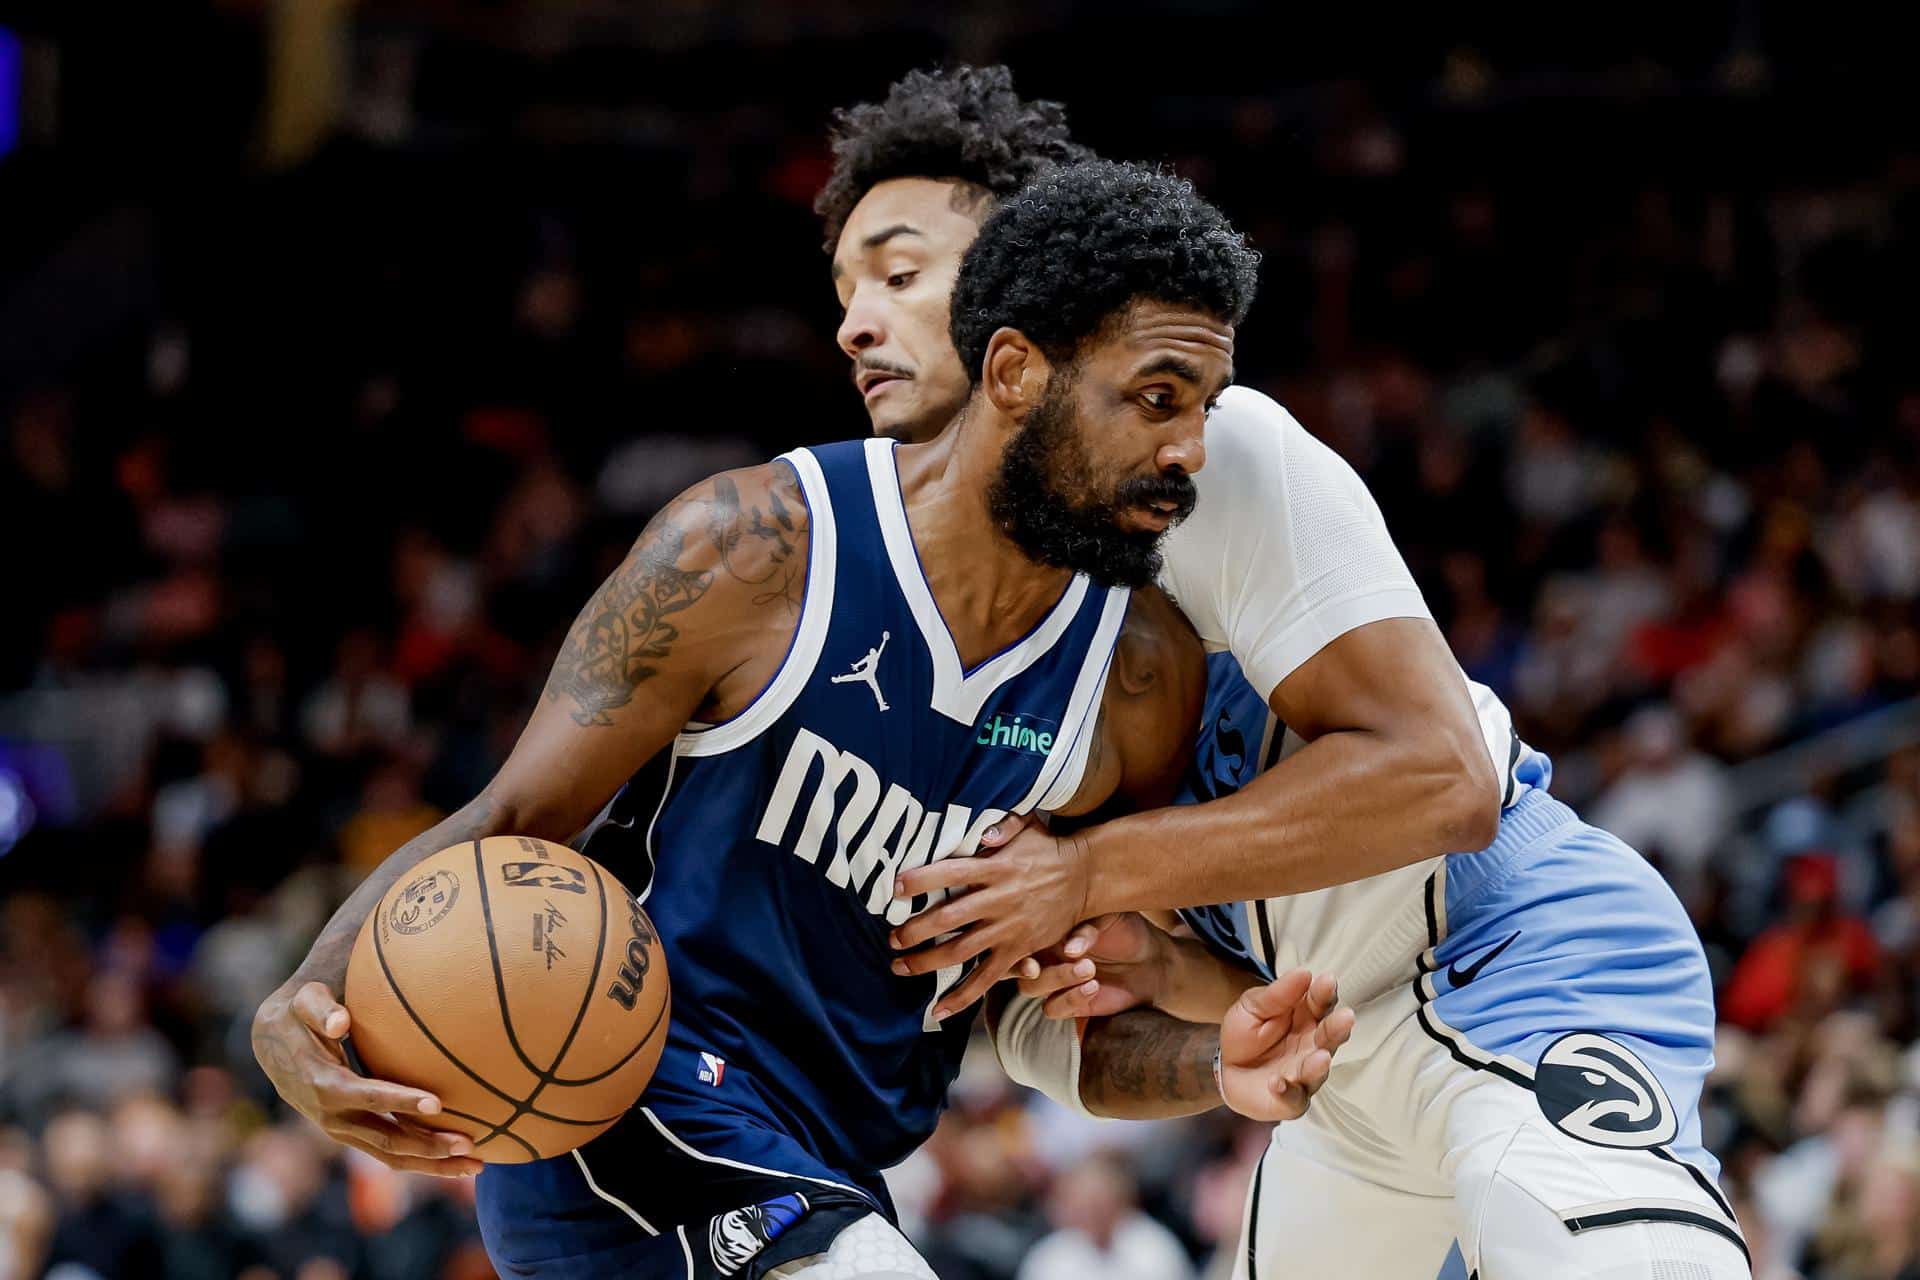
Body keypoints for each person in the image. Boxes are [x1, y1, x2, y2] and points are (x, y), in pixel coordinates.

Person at [252, 159, 1348, 1279]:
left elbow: (1058, 1011)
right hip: (631, 1113)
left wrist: (1217, 1061)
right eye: (1159, 399)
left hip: (833, 1171)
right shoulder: (751, 546)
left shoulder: (1137, 677)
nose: (1191, 452)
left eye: (1204, 411)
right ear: (1017, 371)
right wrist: (304, 988)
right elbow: (517, 811)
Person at [817, 64, 1750, 1280]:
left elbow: (1439, 780)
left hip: (1513, 949)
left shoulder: (1203, 454)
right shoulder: (882, 604)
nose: (853, 321)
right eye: (840, 289)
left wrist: (1093, 868)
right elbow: (1035, 1014)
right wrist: (1150, 988)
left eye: (898, 273)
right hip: (1336, 1058)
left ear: (1022, 283)